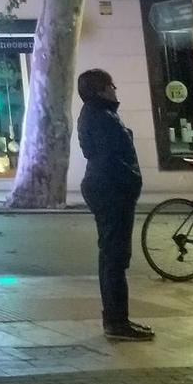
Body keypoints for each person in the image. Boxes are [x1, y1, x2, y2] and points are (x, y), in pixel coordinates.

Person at [78, 68, 152, 341]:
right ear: (101, 90)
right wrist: (130, 182)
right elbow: (114, 158)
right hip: (112, 191)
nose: (115, 90)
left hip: (104, 188)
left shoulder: (94, 114)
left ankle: (117, 319)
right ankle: (117, 322)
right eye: (112, 85)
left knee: (111, 256)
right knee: (115, 258)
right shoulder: (104, 118)